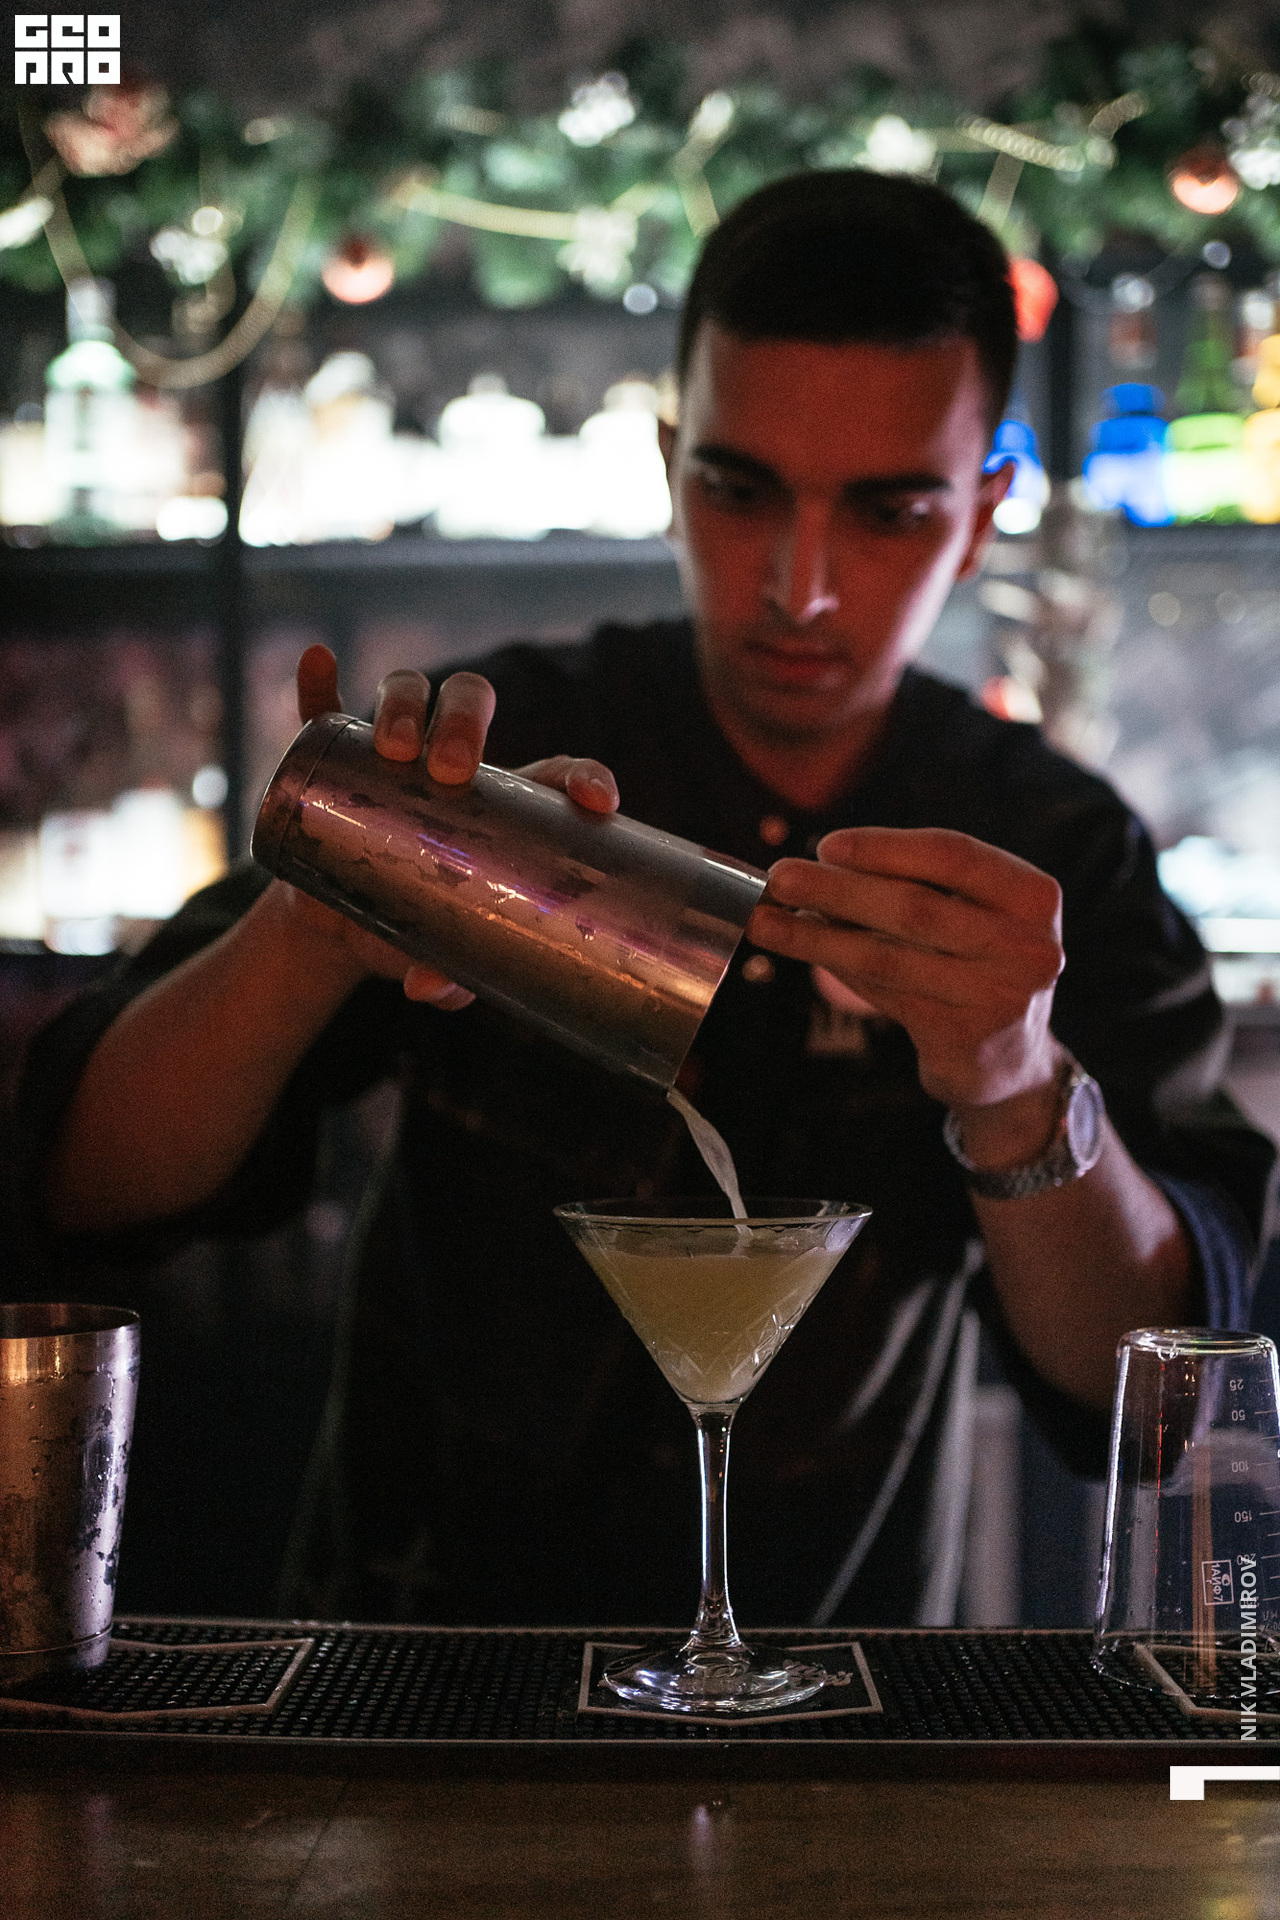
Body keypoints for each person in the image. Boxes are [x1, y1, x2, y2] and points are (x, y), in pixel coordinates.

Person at [18, 173, 1275, 1629]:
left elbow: (1161, 1396)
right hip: (420, 1678)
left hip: (842, 1688)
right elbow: (82, 1188)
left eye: (888, 510)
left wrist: (1015, 1085)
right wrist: (313, 931)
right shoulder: (496, 768)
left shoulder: (1046, 850)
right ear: (671, 465)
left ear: (984, 512)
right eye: (742, 491)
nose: (802, 588)